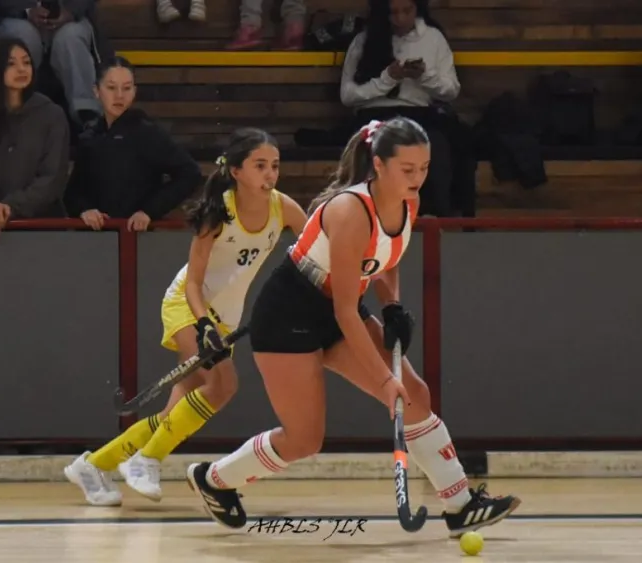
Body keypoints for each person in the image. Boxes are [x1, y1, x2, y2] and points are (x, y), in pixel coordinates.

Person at [184, 118, 520, 537]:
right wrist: (383, 380)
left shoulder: (406, 201)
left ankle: (459, 506)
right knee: (305, 440)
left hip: (336, 307)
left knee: (414, 394)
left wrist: (392, 303)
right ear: (378, 165)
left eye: (424, 168)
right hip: (290, 314)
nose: (417, 178)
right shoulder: (350, 211)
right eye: (407, 169)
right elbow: (345, 310)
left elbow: (386, 256)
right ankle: (213, 479)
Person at [64, 128, 309, 506]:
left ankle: (94, 464)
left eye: (274, 166)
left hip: (224, 318)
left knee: (174, 412)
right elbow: (194, 283)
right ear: (237, 171)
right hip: (188, 306)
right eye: (260, 165)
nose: (270, 174)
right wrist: (205, 326)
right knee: (224, 385)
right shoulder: (218, 212)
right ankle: (146, 459)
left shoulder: (285, 208)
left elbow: (313, 249)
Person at [340, 0, 472, 218]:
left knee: (438, 146)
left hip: (420, 114)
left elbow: (451, 90)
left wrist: (424, 76)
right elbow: (348, 95)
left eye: (407, 11)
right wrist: (388, 79)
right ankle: (370, 215)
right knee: (375, 149)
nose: (400, 19)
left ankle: (434, 213)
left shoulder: (433, 38)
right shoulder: (364, 41)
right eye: (393, 13)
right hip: (376, 114)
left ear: (417, 8)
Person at [65, 56, 202, 231]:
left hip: (138, 238)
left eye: (127, 88)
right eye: (111, 87)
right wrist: (85, 210)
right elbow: (73, 193)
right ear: (96, 91)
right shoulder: (90, 137)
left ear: (134, 91)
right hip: (95, 238)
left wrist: (149, 211)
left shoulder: (147, 133)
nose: (119, 95)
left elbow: (190, 173)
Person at [0, 36, 71, 236]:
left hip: (41, 228)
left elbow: (52, 177)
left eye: (26, 62)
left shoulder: (52, 114)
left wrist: (8, 207)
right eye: (12, 63)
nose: (22, 69)